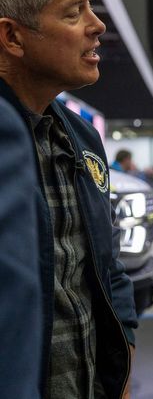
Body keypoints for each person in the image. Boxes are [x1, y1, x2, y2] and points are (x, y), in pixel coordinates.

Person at [0, 0, 137, 398]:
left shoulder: (82, 138)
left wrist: (123, 363)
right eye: (73, 12)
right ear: (11, 36)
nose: (97, 26)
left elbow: (107, 265)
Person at [0, 98, 42, 397]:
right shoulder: (7, 127)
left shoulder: (83, 137)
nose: (96, 46)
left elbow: (107, 257)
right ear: (13, 46)